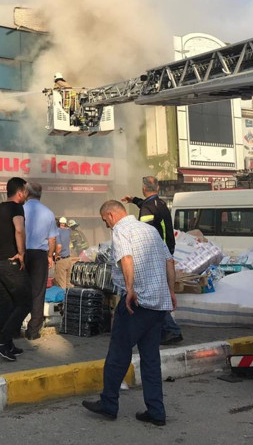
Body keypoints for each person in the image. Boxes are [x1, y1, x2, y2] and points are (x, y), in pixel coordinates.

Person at [82, 200, 176, 426]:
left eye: (106, 222)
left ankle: (109, 404)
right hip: (158, 304)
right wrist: (171, 292)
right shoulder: (150, 230)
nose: (108, 226)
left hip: (137, 301)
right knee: (151, 358)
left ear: (111, 216)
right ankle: (156, 411)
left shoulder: (122, 230)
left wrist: (131, 289)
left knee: (118, 353)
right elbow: (169, 260)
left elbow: (126, 259)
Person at [122, 175, 183, 346]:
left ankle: (171, 329)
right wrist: (133, 200)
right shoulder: (159, 204)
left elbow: (144, 232)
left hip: (156, 254)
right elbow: (147, 206)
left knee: (156, 292)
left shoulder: (149, 208)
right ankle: (165, 329)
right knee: (160, 291)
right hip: (166, 250)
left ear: (143, 188)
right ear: (157, 188)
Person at [0, 177, 31, 361]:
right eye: (25, 191)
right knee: (26, 302)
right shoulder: (16, 208)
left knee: (6, 305)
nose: (26, 194)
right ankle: (1, 341)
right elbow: (19, 229)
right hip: (12, 264)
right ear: (20, 192)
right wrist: (21, 253)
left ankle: (7, 344)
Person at [22, 181, 58, 340]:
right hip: (39, 255)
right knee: (38, 293)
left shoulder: (20, 210)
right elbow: (52, 240)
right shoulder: (49, 213)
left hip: (21, 253)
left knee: (19, 292)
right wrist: (50, 256)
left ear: (26, 193)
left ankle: (15, 328)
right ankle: (33, 331)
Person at [53, 217, 75, 289]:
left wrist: (55, 255)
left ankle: (63, 299)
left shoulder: (57, 232)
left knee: (61, 284)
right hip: (68, 260)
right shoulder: (68, 231)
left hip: (61, 260)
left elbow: (59, 246)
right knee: (68, 284)